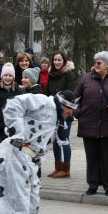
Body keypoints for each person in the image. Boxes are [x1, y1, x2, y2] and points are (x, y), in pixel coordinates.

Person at [0, 90, 79, 214]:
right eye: (70, 109)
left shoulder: (56, 118)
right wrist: (16, 132)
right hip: (15, 155)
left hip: (29, 163)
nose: (71, 113)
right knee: (18, 206)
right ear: (63, 105)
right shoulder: (43, 102)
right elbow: (13, 103)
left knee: (32, 206)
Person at [74, 51, 108, 196]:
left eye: (99, 62)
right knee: (92, 158)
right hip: (88, 124)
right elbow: (75, 97)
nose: (96, 64)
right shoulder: (86, 78)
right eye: (95, 61)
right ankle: (92, 184)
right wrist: (78, 112)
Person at [46, 50, 77, 178]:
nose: (57, 62)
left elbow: (71, 93)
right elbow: (48, 91)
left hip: (65, 112)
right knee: (55, 141)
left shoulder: (69, 74)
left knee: (64, 140)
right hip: (53, 112)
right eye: (55, 60)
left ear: (64, 61)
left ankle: (66, 169)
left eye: (59, 60)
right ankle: (58, 168)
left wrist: (58, 98)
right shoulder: (51, 74)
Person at [0, 63, 23, 156]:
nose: (8, 78)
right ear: (2, 76)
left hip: (13, 127)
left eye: (10, 75)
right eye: (5, 75)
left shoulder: (19, 91)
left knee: (13, 152)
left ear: (13, 77)